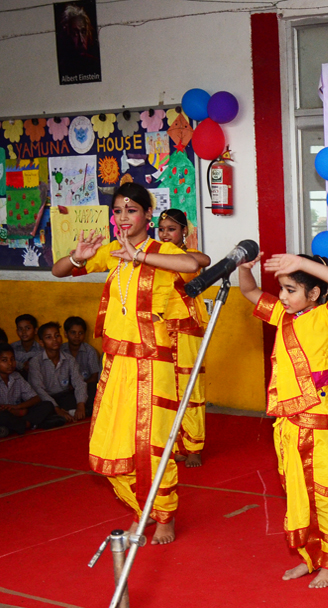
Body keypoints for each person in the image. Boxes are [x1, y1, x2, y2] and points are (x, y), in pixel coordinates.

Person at [51, 182, 201, 545]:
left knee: (151, 444)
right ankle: (142, 509)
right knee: (110, 444)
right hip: (116, 363)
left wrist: (141, 257)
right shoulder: (112, 251)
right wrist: (78, 257)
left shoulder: (161, 250)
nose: (123, 217)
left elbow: (195, 263)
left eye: (131, 210)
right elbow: (58, 270)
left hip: (152, 363)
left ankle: (164, 516)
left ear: (148, 214)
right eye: (117, 211)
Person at [238, 252, 328, 588]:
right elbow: (249, 291)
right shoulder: (283, 316)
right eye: (282, 289)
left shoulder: (327, 318)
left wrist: (301, 265)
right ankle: (310, 557)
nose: (283, 297)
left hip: (318, 423)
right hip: (288, 423)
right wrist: (243, 269)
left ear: (314, 293)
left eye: (290, 290)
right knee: (298, 494)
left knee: (325, 494)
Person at [158, 209, 212, 467]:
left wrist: (170, 253)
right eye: (161, 229)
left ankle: (193, 446)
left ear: (184, 232)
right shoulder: (154, 255)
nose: (165, 234)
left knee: (190, 387)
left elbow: (205, 260)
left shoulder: (188, 256)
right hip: (160, 328)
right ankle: (174, 444)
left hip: (187, 329)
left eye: (171, 229)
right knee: (166, 388)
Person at [26, 322, 89, 423]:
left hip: (64, 397)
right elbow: (38, 390)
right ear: (41, 342)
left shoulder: (69, 359)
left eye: (57, 336)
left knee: (88, 394)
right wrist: (57, 409)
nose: (54, 340)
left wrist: (80, 405)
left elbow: (79, 383)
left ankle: (66, 414)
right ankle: (61, 415)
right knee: (45, 407)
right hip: (46, 400)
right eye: (49, 337)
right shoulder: (36, 362)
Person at [0, 343, 57, 437]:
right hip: (6, 415)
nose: (10, 363)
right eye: (4, 360)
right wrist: (15, 412)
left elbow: (36, 398)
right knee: (2, 416)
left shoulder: (16, 376)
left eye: (12, 359)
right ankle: (29, 424)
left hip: (18, 412)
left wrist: (18, 407)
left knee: (47, 405)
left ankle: (15, 427)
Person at [62, 316, 101, 409]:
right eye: (73, 332)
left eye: (80, 333)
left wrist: (80, 385)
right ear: (66, 334)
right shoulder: (61, 350)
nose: (77, 336)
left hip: (85, 385)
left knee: (93, 389)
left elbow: (94, 377)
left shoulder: (90, 351)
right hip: (67, 388)